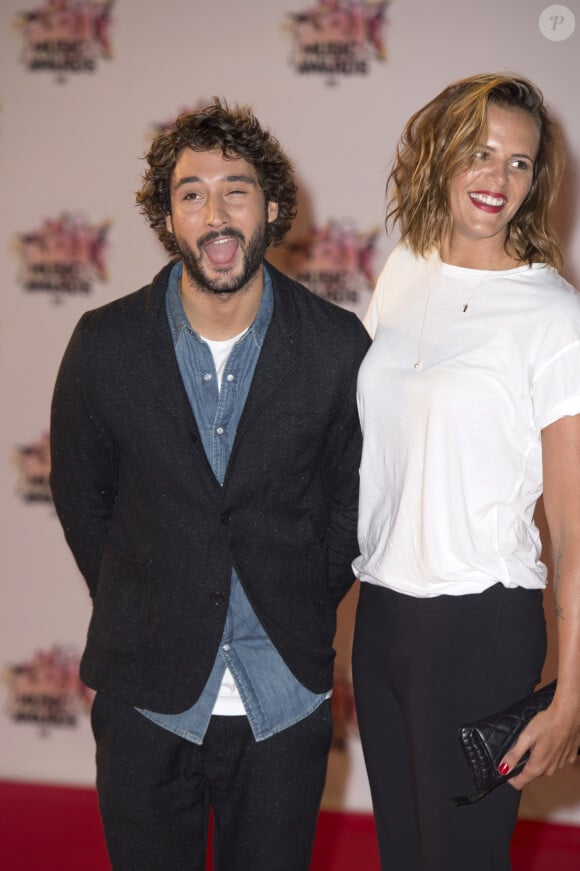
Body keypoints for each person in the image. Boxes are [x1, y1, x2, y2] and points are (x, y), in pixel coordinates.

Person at [50, 99, 370, 871]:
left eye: (237, 189)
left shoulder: (336, 347)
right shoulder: (105, 343)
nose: (216, 213)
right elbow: (79, 498)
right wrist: (149, 595)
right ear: (168, 217)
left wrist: (291, 593)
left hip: (284, 697)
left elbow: (353, 508)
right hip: (144, 695)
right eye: (192, 193)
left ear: (272, 207)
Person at [351, 73, 580, 870]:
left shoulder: (552, 315)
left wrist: (573, 692)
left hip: (480, 629)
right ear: (439, 155)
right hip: (379, 618)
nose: (498, 178)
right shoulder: (404, 269)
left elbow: (575, 529)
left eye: (519, 163)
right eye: (480, 152)